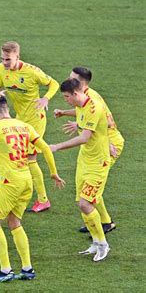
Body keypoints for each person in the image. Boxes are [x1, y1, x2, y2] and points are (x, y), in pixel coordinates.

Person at [0, 96, 64, 283]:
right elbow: (45, 148)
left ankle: (6, 271)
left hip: (9, 183)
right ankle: (27, 268)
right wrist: (53, 172)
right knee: (14, 222)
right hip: (26, 181)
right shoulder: (24, 126)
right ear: (7, 109)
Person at [0, 41, 60, 212]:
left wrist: (46, 99)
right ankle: (27, 194)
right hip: (20, 118)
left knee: (29, 158)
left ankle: (43, 199)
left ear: (17, 57)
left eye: (8, 60)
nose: (4, 63)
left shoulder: (32, 71)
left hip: (36, 119)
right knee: (23, 158)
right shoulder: (1, 69)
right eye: (2, 59)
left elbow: (54, 83)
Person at [54, 67, 124, 234]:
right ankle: (102, 221)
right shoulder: (81, 96)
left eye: (73, 79)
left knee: (93, 181)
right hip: (94, 144)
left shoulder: (93, 98)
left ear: (82, 83)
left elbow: (106, 122)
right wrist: (65, 113)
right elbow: (82, 112)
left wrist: (107, 143)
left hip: (108, 144)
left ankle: (102, 223)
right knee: (89, 184)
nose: (69, 80)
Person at [50, 78, 111, 262]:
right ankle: (95, 242)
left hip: (98, 163)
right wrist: (63, 113)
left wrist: (57, 146)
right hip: (85, 160)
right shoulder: (81, 104)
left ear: (76, 94)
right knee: (80, 203)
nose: (66, 100)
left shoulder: (94, 108)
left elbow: (85, 137)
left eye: (67, 97)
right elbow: (78, 113)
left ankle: (103, 244)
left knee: (86, 204)